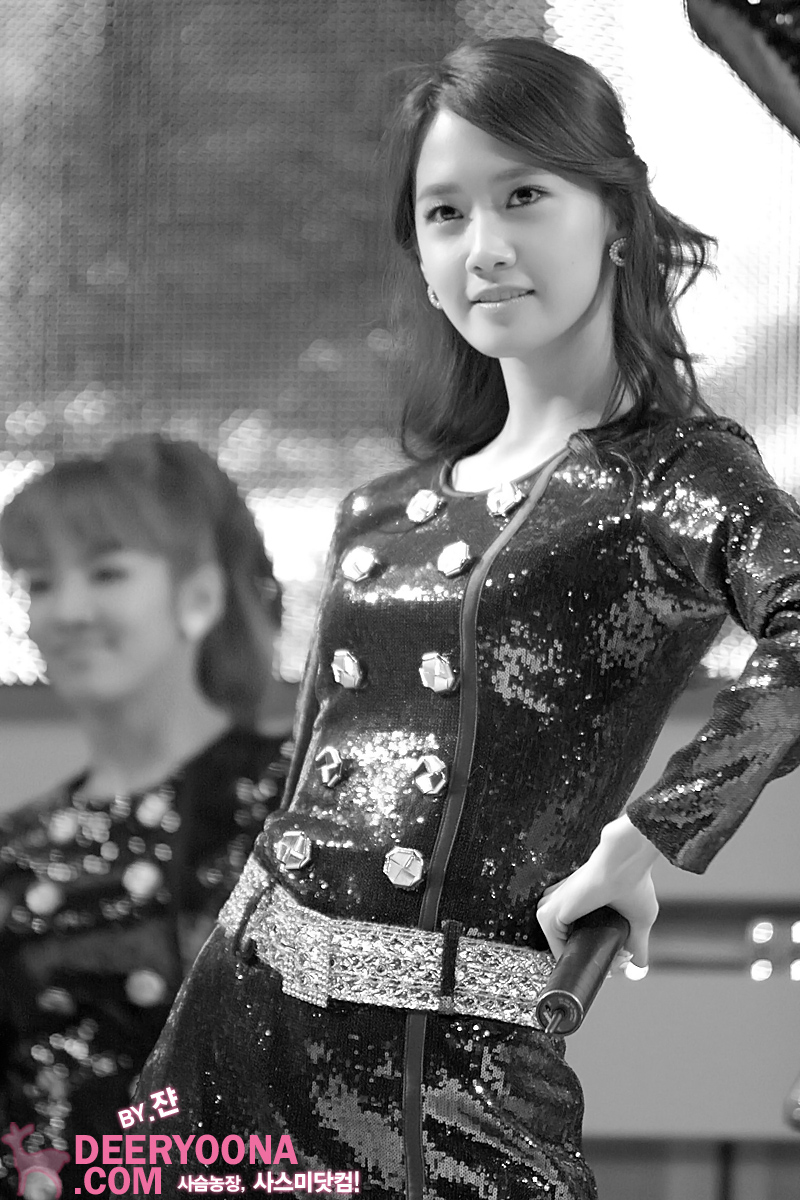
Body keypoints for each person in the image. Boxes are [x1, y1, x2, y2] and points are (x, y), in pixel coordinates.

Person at [131, 38, 800, 1200]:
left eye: (522, 196)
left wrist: (647, 834)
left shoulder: (667, 475)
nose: (482, 246)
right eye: (443, 213)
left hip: (443, 1073)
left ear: (616, 218)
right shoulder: (376, 510)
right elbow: (303, 784)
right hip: (240, 1019)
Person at [0, 435, 291, 1198]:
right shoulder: (17, 847)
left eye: (107, 573)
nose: (67, 612)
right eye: (40, 584)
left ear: (199, 597)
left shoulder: (300, 802)